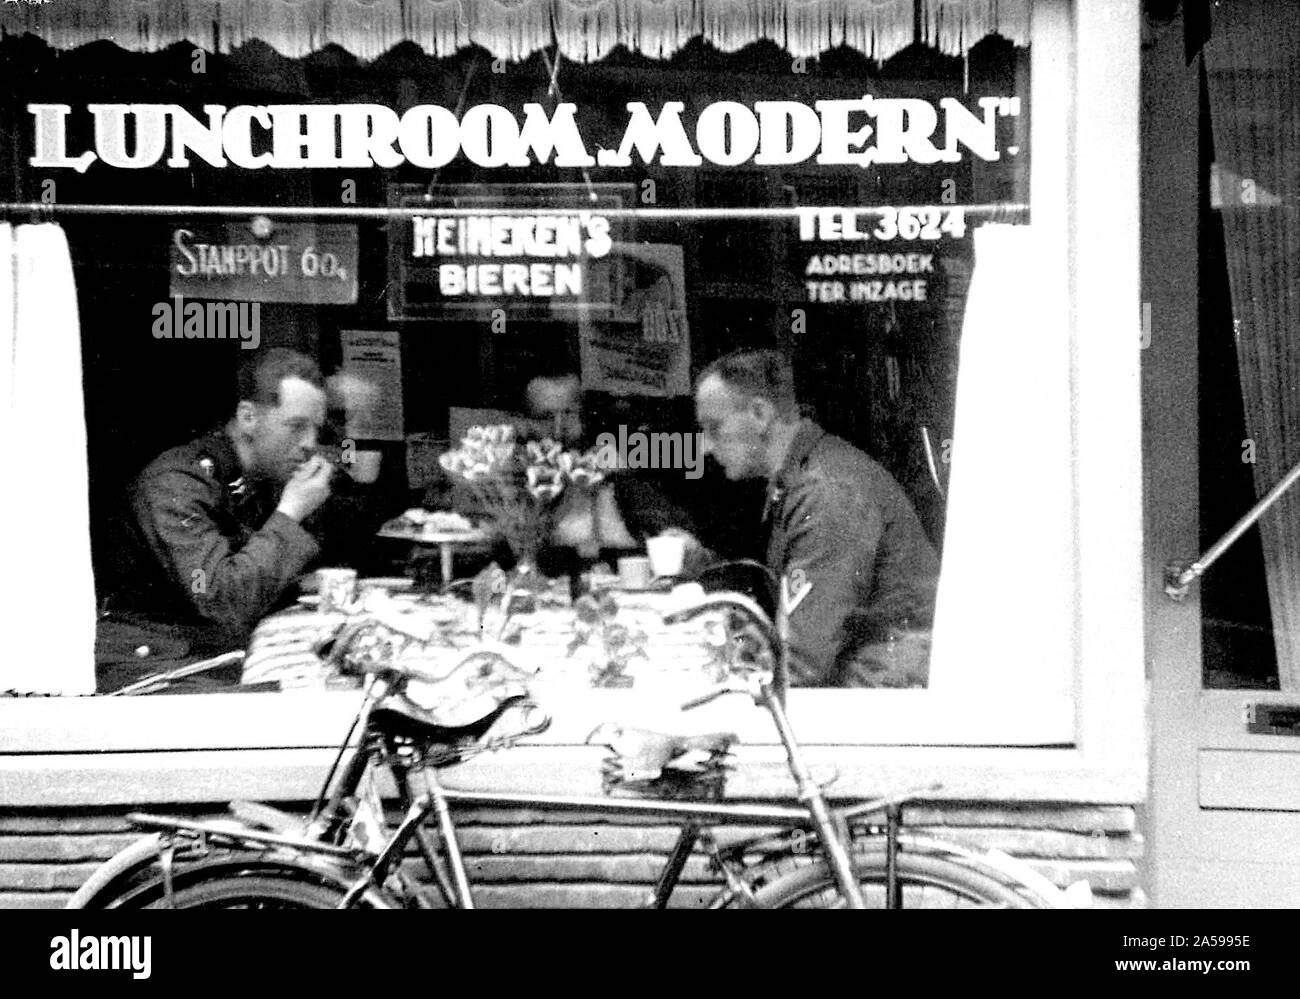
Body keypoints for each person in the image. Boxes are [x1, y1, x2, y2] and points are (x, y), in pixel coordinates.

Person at [694, 348, 940, 688]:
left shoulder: (824, 493)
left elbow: (802, 663)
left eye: (714, 427)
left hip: (887, 684)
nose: (706, 447)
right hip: (876, 669)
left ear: (760, 414)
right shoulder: (804, 476)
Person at [109, 348, 336, 660]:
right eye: (296, 426)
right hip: (161, 663)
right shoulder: (175, 484)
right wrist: (291, 513)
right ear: (248, 417)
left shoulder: (263, 479)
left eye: (315, 429)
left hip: (216, 652)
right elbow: (219, 598)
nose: (310, 443)